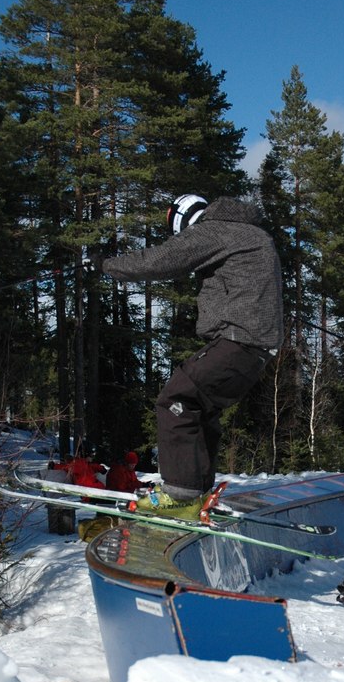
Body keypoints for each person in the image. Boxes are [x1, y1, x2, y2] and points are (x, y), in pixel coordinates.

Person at [102, 194, 283, 519]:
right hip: (256, 349)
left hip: (238, 340)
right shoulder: (249, 233)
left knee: (176, 399)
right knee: (201, 408)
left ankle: (181, 495)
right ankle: (197, 489)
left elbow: (160, 260)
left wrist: (106, 265)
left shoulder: (214, 229)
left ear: (183, 221)